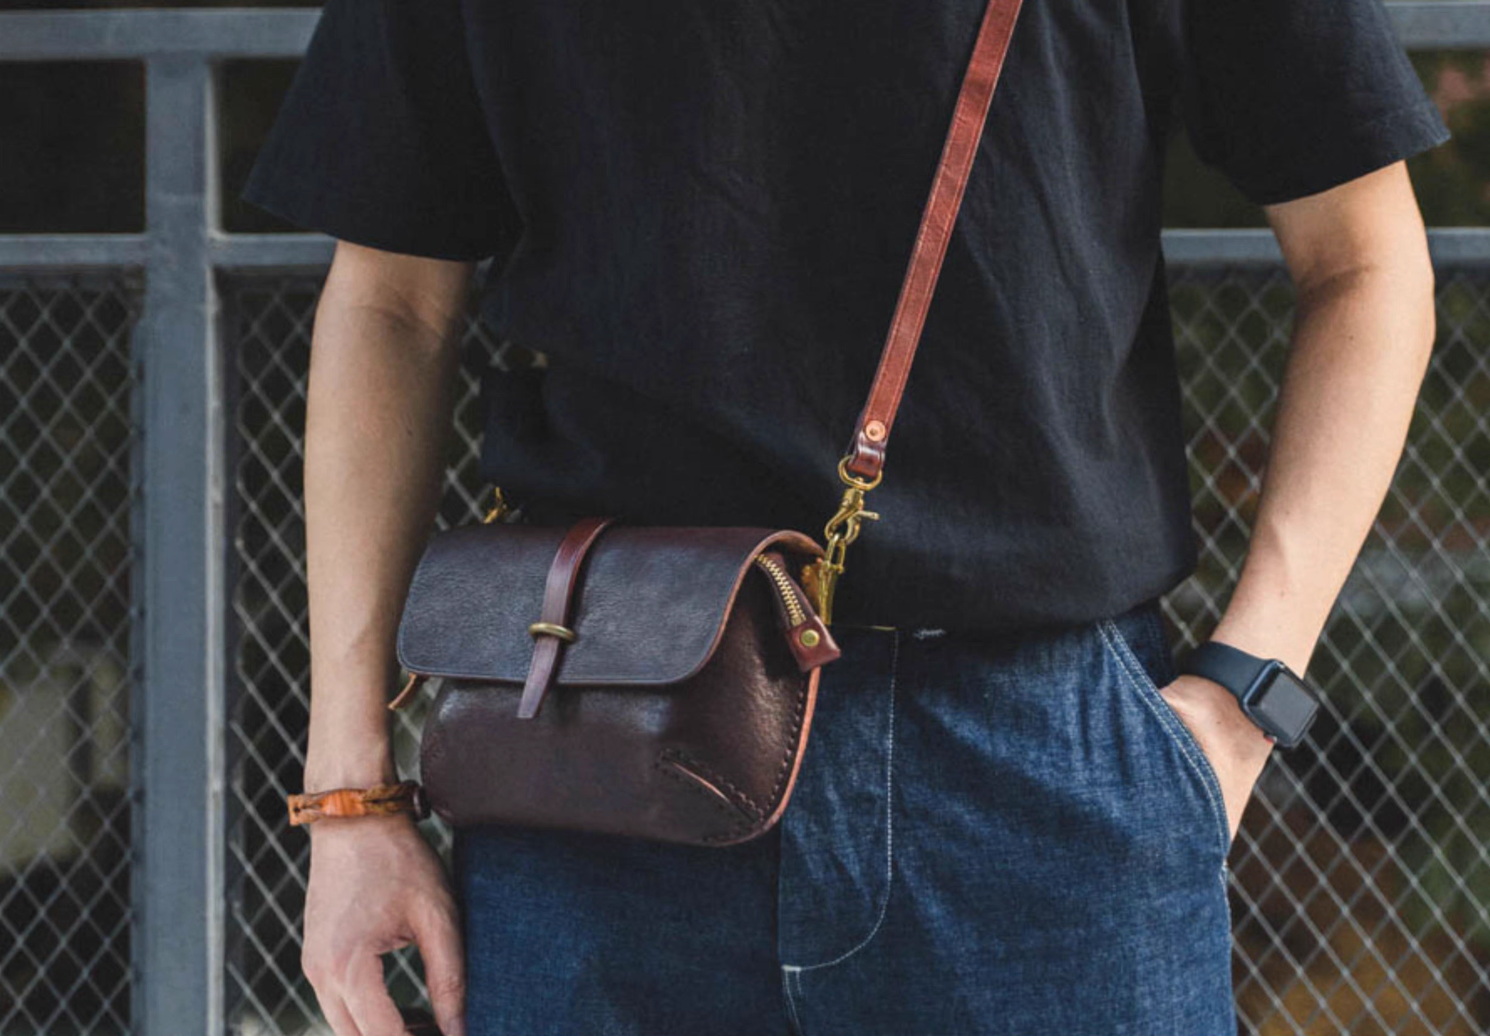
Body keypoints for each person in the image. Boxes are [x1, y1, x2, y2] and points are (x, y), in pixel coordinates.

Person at [241, 1, 1451, 1034]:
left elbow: (1365, 262)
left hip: (1036, 768)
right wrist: (349, 798)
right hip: (598, 761)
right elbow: (391, 300)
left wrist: (1245, 693)